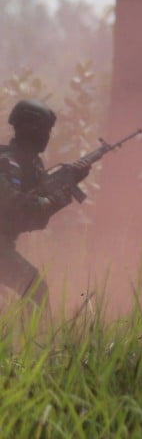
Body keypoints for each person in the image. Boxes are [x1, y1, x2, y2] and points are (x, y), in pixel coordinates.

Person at [0, 100, 91, 307]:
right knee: (36, 291)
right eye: (45, 130)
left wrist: (69, 182)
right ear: (30, 129)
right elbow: (20, 207)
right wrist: (57, 197)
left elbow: (37, 213)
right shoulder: (6, 163)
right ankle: (34, 339)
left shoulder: (30, 166)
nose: (48, 136)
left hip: (4, 245)